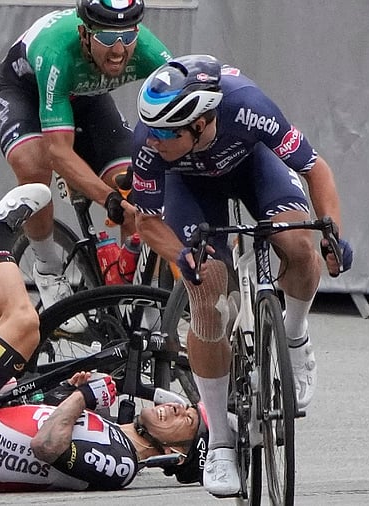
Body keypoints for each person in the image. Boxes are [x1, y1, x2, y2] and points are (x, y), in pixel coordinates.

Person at [130, 54, 353, 497]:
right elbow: (146, 221)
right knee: (209, 292)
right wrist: (183, 258)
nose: (153, 141)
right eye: (149, 130)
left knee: (298, 245)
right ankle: (221, 441)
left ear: (199, 122)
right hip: (189, 188)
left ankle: (294, 335)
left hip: (253, 165)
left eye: (164, 133)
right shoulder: (150, 147)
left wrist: (330, 231)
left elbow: (315, 168)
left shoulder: (249, 107)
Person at [0, 183, 212, 492]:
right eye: (185, 406)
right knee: (18, 339)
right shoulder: (112, 434)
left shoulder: (122, 465)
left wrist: (84, 397)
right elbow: (39, 428)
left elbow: (46, 446)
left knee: (25, 324)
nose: (178, 408)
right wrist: (69, 393)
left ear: (176, 454)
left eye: (186, 420)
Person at [0, 0, 171, 329]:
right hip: (25, 95)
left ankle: (139, 291)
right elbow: (59, 152)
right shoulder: (57, 49)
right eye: (106, 38)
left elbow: (184, 107)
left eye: (127, 37)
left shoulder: (149, 52)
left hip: (88, 98)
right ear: (84, 33)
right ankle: (47, 269)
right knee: (35, 164)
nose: (118, 51)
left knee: (134, 184)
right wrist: (108, 199)